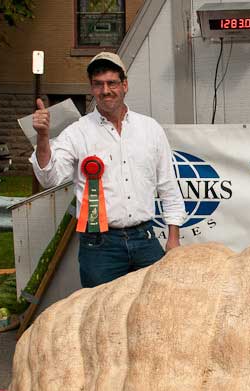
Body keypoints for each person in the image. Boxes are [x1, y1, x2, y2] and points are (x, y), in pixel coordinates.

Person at [30, 52, 185, 287]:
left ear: (125, 85)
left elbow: (168, 186)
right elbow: (50, 178)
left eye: (112, 83)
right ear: (92, 89)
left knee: (153, 314)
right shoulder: (77, 132)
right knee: (100, 318)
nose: (105, 90)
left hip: (145, 239)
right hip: (99, 246)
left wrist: (173, 239)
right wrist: (43, 138)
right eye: (98, 84)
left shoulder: (150, 129)